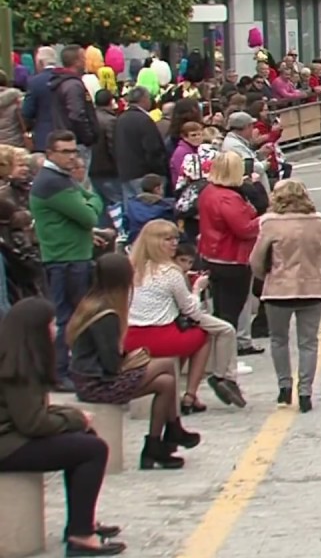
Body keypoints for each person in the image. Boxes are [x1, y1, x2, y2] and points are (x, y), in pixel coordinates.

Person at [0, 298, 126, 556]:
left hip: (10, 436)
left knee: (83, 439)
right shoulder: (18, 367)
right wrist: (76, 419)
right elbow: (33, 422)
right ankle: (80, 535)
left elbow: (32, 413)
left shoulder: (13, 356)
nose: (56, 330)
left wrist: (73, 416)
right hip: (7, 446)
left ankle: (82, 523)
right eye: (51, 324)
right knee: (93, 449)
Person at [68, 254, 198, 470]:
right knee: (165, 364)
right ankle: (172, 429)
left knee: (166, 383)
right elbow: (111, 364)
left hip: (87, 377)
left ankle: (155, 446)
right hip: (98, 383)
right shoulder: (106, 314)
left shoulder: (92, 302)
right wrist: (132, 359)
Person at [127, 220, 244, 413]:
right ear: (154, 242)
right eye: (168, 239)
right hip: (159, 335)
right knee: (202, 336)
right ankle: (193, 393)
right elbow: (191, 310)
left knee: (188, 333)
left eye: (175, 238)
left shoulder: (132, 269)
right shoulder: (170, 272)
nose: (174, 243)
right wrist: (197, 288)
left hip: (131, 336)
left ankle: (192, 392)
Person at [32, 130, 105, 390]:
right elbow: (90, 215)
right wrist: (92, 200)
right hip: (65, 259)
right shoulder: (53, 181)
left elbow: (85, 204)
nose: (72, 157)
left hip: (72, 256)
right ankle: (60, 372)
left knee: (74, 316)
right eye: (65, 152)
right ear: (50, 153)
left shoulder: (61, 179)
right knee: (67, 318)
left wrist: (88, 201)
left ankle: (69, 369)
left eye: (74, 151)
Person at [250, 180, 321, 413]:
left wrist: (267, 275)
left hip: (279, 288)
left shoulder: (270, 224)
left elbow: (256, 260)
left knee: (279, 339)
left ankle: (284, 386)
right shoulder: (318, 222)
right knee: (308, 342)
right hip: (312, 286)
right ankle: (305, 392)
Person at [197, 152, 263, 354]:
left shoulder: (209, 191)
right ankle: (226, 358)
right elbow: (244, 228)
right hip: (231, 257)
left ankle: (223, 354)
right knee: (230, 312)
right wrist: (265, 219)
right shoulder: (228, 198)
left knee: (221, 308)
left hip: (213, 254)